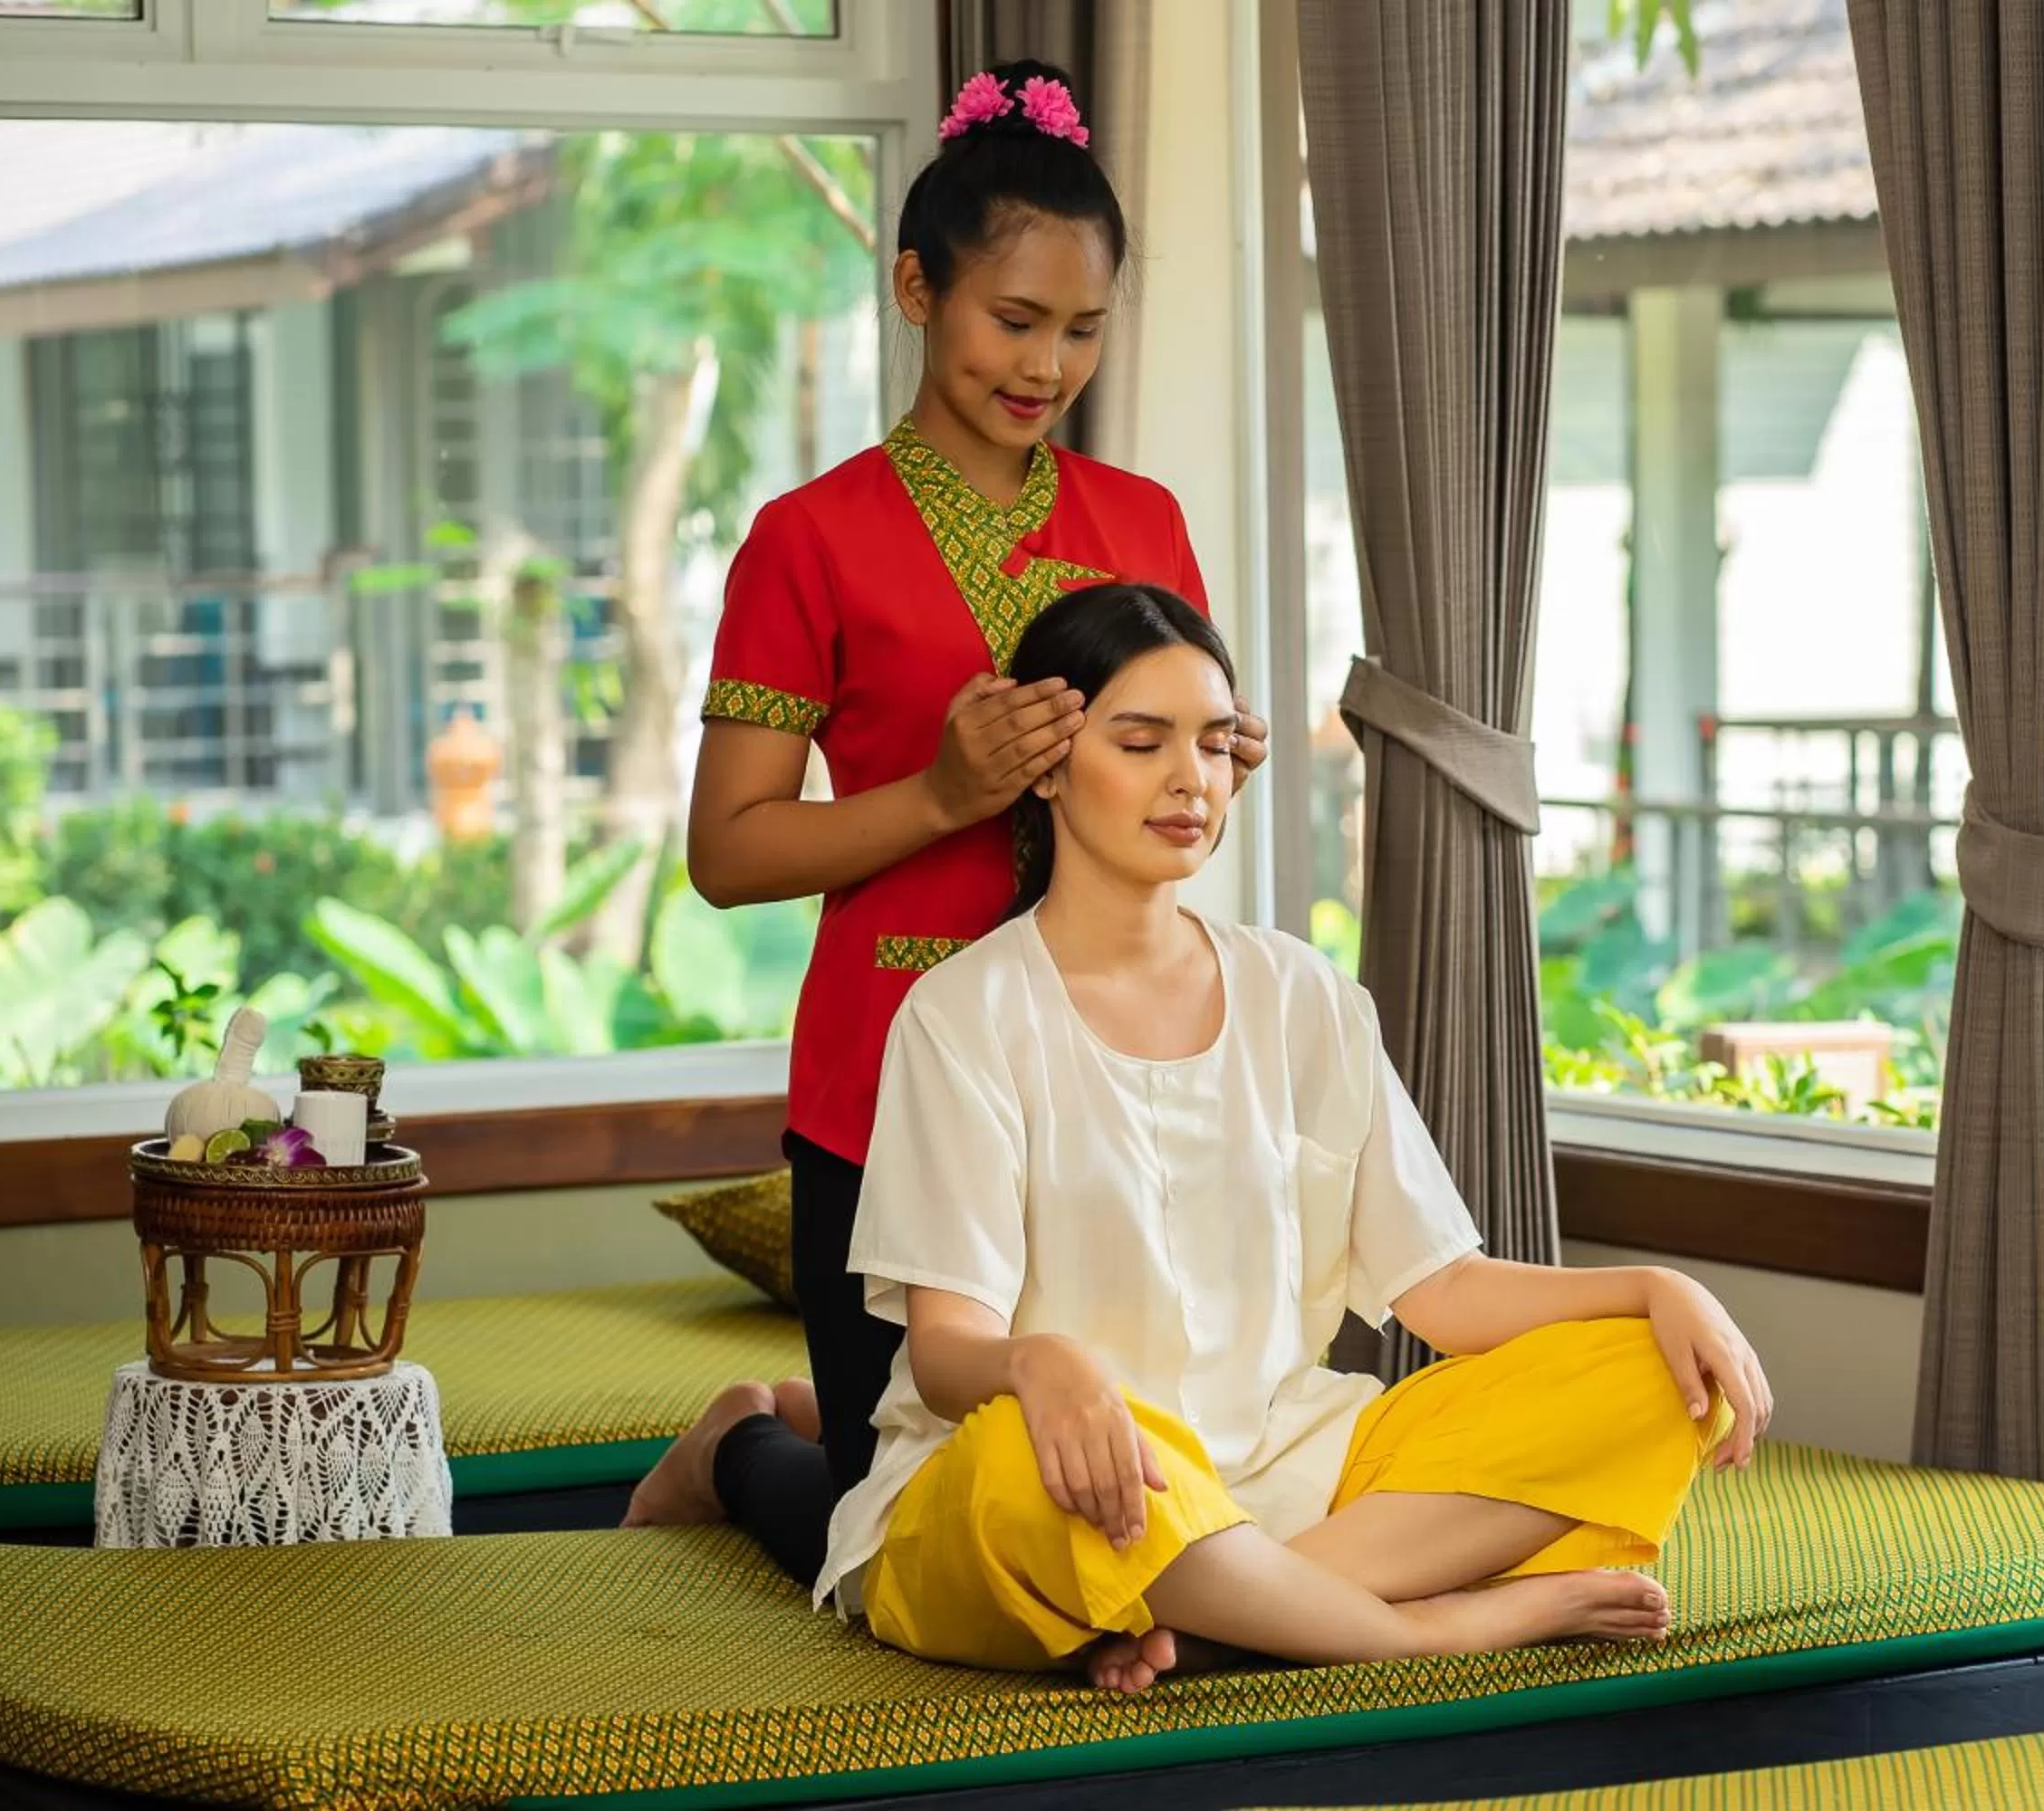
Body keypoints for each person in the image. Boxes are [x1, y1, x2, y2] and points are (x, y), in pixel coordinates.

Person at [631, 583, 1775, 1693]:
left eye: (1218, 744)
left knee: (1651, 1377)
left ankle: (1223, 1618)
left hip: (1287, 1472)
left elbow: (1447, 1290)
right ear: (1048, 768)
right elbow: (945, 1351)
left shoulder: (1306, 994)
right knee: (1031, 1475)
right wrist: (1044, 1362)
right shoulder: (962, 1013)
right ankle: (1432, 1627)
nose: (1193, 779)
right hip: (1051, 1482)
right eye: (1142, 741)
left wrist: (1653, 1287)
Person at [681, 62, 1266, 1500]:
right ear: (915, 289)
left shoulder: (1145, 521)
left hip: (1106, 1069)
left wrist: (1210, 755)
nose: (1047, 366)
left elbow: (1172, 781)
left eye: (1082, 329)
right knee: (904, 1526)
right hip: (885, 1076)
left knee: (1106, 1477)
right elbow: (728, 854)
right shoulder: (806, 541)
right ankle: (740, 1449)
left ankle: (800, 1422)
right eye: (1015, 319)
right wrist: (945, 794)